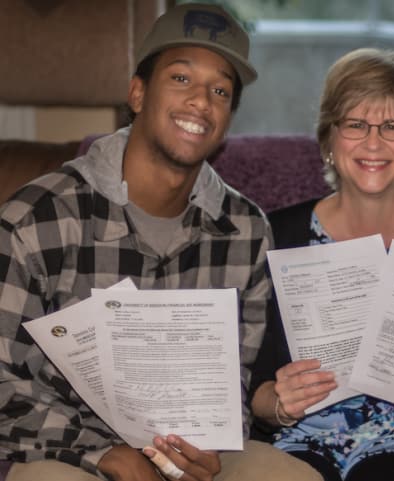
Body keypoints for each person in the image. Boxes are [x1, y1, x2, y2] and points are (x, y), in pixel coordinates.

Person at [0, 3, 322, 481]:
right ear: (136, 92)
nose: (201, 101)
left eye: (220, 90)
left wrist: (206, 450)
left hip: (195, 447)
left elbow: (234, 379)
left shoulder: (246, 229)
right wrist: (103, 454)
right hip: (67, 447)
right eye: (181, 79)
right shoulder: (36, 218)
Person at [248, 47, 394, 481]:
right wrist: (278, 403)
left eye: (392, 126)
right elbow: (255, 389)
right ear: (329, 140)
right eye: (355, 124)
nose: (373, 143)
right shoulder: (278, 235)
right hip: (298, 446)